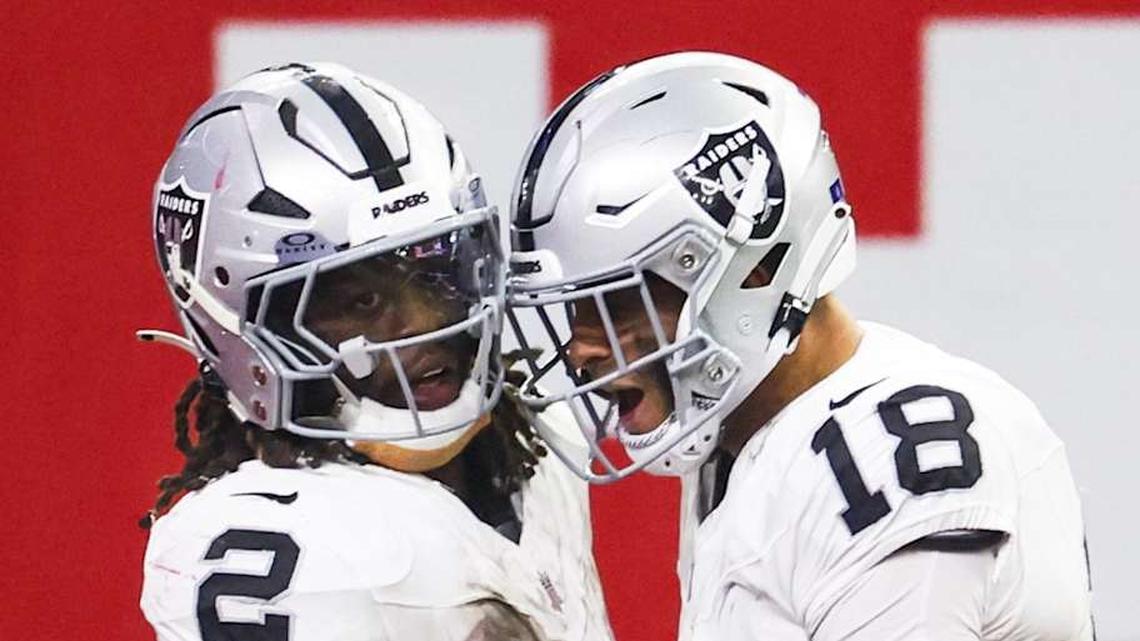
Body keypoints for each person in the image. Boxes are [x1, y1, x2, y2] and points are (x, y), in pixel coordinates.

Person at [506, 51, 1093, 640]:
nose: (581, 348)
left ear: (754, 271)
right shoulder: (750, 442)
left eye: (615, 300)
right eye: (575, 307)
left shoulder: (890, 459)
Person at [138, 62, 612, 641]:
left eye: (437, 276)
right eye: (362, 301)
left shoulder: (540, 449)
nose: (425, 324)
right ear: (235, 320)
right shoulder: (283, 541)